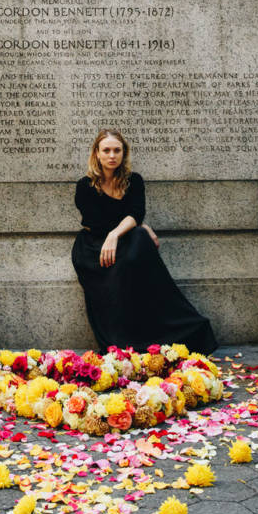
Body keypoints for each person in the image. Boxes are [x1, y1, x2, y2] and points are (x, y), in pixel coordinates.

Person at [71, 128, 217, 354]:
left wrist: (123, 231)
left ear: (124, 153)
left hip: (122, 242)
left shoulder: (134, 181)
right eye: (106, 150)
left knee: (139, 243)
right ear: (97, 154)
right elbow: (98, 222)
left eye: (117, 150)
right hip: (93, 249)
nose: (112, 155)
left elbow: (136, 211)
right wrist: (135, 226)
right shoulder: (85, 186)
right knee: (138, 238)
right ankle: (123, 342)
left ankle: (171, 329)